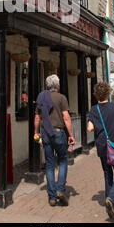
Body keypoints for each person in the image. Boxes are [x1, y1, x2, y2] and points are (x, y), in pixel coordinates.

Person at [87, 82, 114, 221]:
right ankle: (112, 198)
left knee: (107, 172)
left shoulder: (94, 109)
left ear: (96, 94)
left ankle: (110, 202)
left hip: (102, 146)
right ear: (108, 93)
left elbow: (90, 128)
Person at [34, 74, 76, 207]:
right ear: (57, 85)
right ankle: (60, 190)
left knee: (50, 164)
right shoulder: (61, 98)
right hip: (59, 133)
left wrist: (36, 132)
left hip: (46, 133)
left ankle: (52, 197)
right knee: (63, 161)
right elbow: (66, 117)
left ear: (47, 85)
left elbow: (37, 118)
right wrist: (71, 135)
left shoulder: (42, 97)